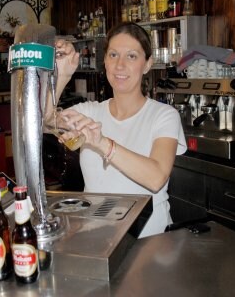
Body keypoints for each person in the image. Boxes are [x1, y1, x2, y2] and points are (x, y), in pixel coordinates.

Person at [50, 22, 187, 238]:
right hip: (97, 235)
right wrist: (62, 76)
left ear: (147, 64)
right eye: (113, 55)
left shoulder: (164, 115)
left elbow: (156, 178)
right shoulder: (90, 112)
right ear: (104, 61)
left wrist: (102, 143)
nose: (120, 65)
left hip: (150, 240)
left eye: (131, 56)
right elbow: (43, 122)